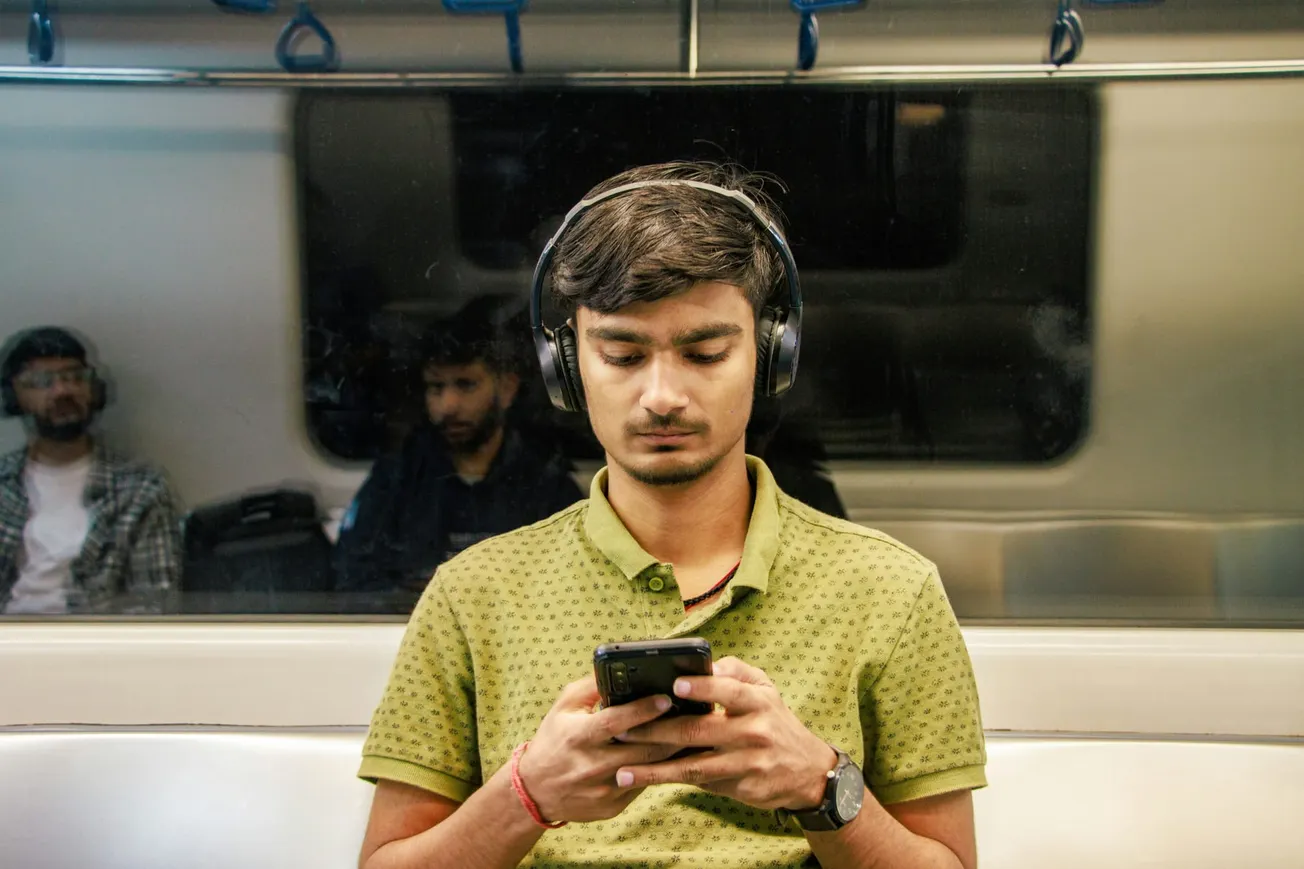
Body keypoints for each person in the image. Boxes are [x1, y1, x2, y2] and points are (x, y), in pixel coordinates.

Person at [355, 162, 986, 869]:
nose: (662, 395)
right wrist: (527, 794)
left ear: (769, 358)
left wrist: (822, 784)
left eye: (704, 352)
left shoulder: (891, 592)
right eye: (623, 355)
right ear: (566, 369)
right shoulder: (472, 595)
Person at [333, 299, 584, 604]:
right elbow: (351, 579)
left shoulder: (547, 483)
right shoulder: (397, 478)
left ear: (506, 389)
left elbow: (572, 591)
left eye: (465, 385)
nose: (448, 406)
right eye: (436, 388)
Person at [0, 327, 182, 615]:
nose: (62, 390)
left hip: (89, 649)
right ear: (14, 397)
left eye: (73, 377)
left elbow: (152, 605)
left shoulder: (140, 489)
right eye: (42, 382)